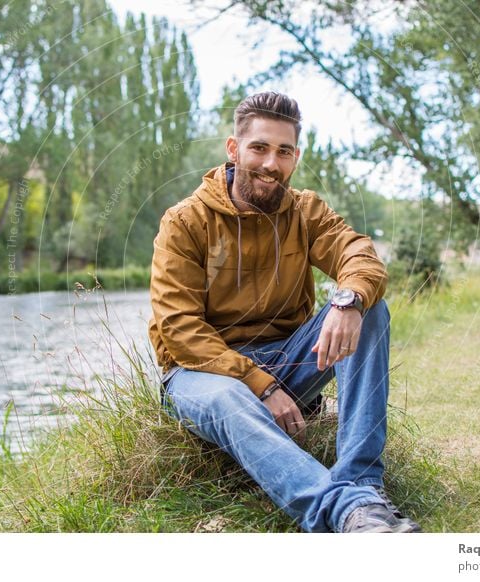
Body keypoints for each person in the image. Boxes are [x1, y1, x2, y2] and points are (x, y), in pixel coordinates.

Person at [147, 91, 420, 533]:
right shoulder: (184, 221)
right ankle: (348, 512)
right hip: (204, 374)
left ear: (295, 157)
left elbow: (358, 255)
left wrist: (347, 299)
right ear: (234, 150)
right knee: (227, 397)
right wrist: (260, 384)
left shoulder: (305, 209)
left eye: (284, 151)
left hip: (290, 359)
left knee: (370, 309)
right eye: (259, 148)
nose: (271, 164)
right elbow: (179, 330)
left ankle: (363, 483)